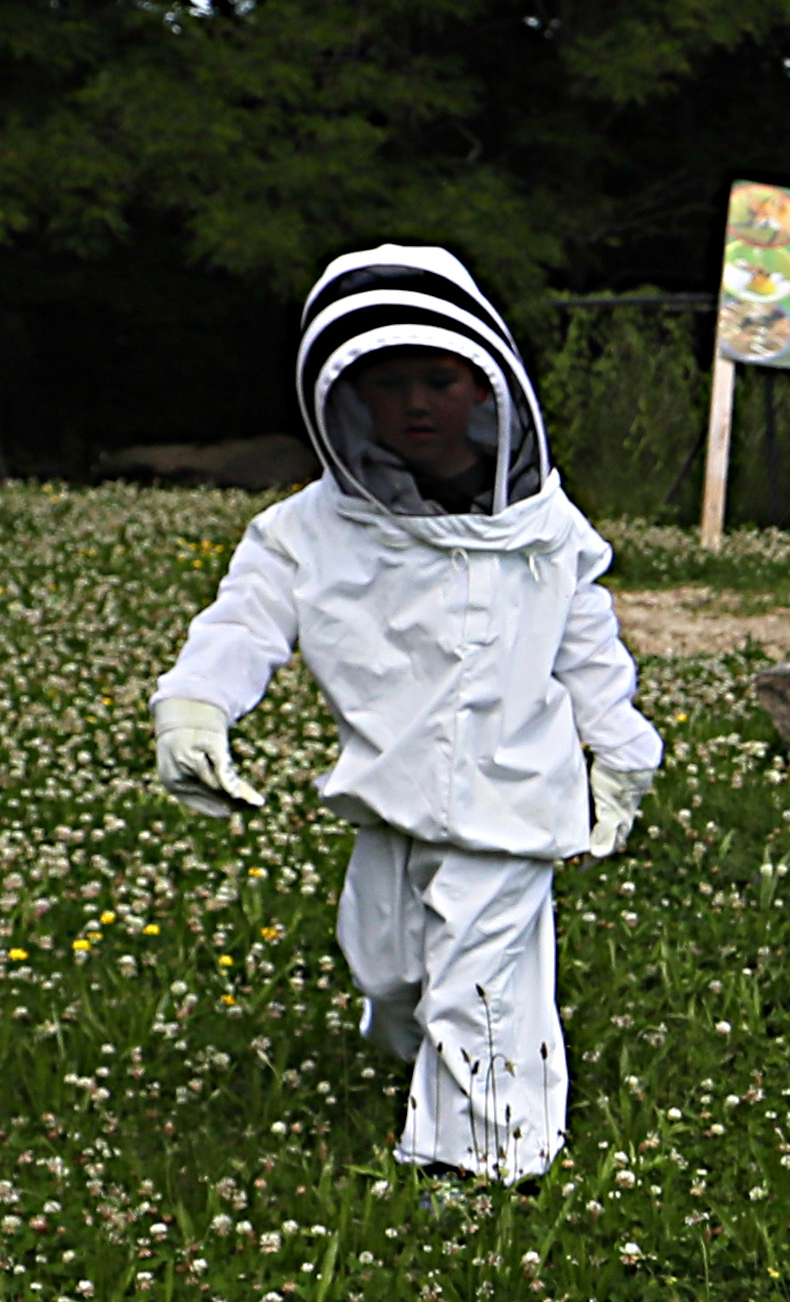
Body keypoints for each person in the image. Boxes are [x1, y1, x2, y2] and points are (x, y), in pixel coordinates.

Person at [148, 246, 661, 1185]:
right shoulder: (308, 532)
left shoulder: (544, 528)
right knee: (388, 971)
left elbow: (589, 648)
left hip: (511, 801)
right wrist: (195, 707)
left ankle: (483, 1166)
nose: (418, 403)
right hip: (387, 799)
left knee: (484, 986)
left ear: (486, 384)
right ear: (343, 396)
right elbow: (242, 622)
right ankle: (421, 1046)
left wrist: (622, 753)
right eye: (390, 385)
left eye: (439, 378)